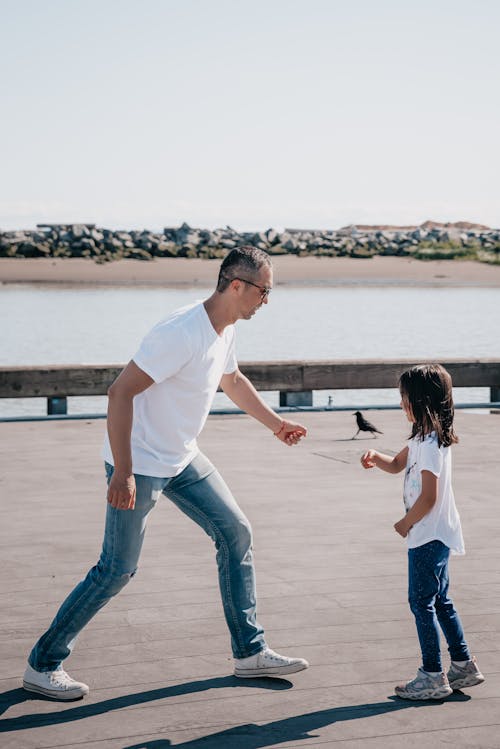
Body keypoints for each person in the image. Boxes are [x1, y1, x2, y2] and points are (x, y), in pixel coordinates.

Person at [23, 246, 309, 700]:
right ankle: (44, 663)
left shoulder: (226, 329)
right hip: (138, 462)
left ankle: (249, 651)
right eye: (264, 291)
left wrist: (276, 425)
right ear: (237, 285)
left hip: (182, 457)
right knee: (117, 569)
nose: (267, 301)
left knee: (235, 533)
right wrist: (123, 472)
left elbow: (231, 380)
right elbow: (120, 393)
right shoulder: (181, 332)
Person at [360, 364, 484, 700]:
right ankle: (462, 665)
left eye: (403, 398)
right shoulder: (422, 438)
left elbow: (429, 497)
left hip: (427, 534)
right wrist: (376, 457)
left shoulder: (431, 445)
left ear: (419, 401)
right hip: (436, 533)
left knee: (421, 603)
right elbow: (397, 464)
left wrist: (406, 523)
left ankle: (432, 675)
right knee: (440, 600)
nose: (401, 404)